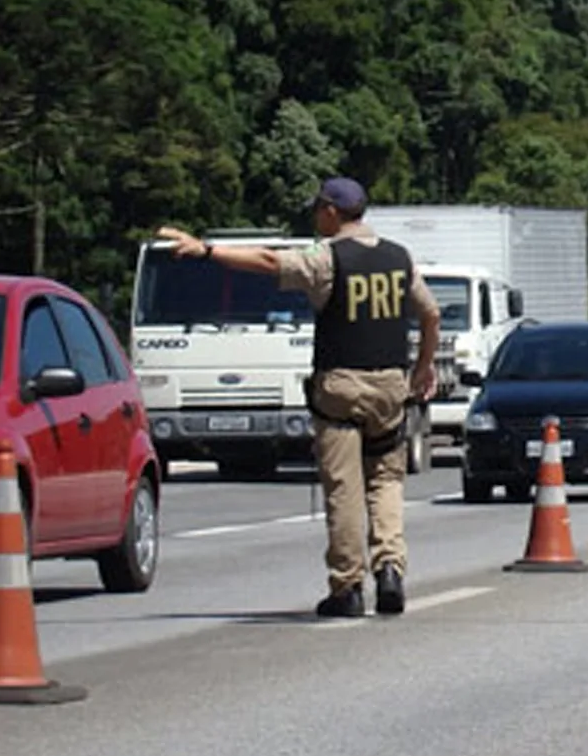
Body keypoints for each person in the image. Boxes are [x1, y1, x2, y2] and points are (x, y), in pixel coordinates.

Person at [157, 177, 442, 617]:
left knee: (345, 487)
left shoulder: (327, 257)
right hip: (390, 385)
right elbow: (431, 312)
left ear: (332, 211)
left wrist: (207, 250)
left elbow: (269, 261)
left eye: (317, 208)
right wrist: (423, 367)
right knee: (386, 479)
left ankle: (348, 586)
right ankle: (390, 569)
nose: (314, 215)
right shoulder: (397, 257)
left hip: (342, 388)